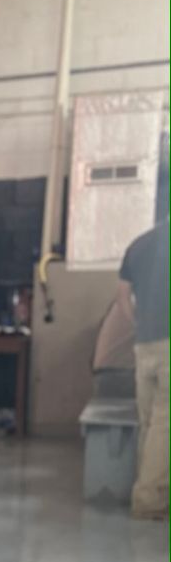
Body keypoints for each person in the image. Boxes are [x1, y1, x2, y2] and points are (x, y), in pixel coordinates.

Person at [121, 217, 169, 520]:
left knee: (149, 421)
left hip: (144, 345)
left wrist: (137, 325)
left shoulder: (139, 244)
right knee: (165, 424)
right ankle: (149, 499)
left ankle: (146, 490)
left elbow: (122, 297)